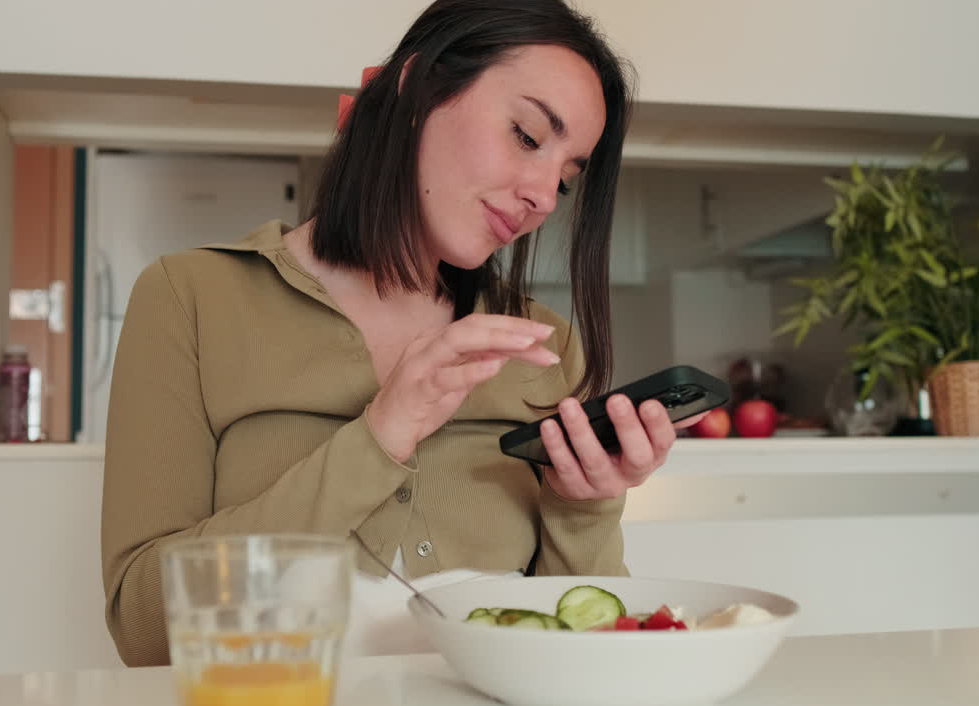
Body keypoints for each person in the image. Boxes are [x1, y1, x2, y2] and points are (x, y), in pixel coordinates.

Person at [101, 0, 705, 667]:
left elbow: (586, 655)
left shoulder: (542, 344)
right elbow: (144, 630)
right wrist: (381, 434)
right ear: (417, 90)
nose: (542, 194)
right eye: (528, 136)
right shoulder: (190, 297)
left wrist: (584, 506)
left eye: (566, 179)